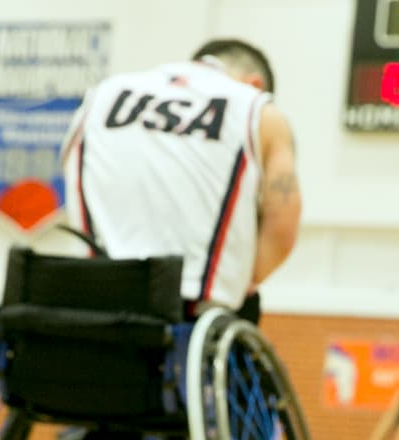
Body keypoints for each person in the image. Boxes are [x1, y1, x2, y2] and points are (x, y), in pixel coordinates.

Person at [62, 39, 300, 322]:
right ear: (255, 84)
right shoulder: (257, 108)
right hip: (190, 309)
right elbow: (283, 221)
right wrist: (241, 280)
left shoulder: (102, 94)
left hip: (89, 301)